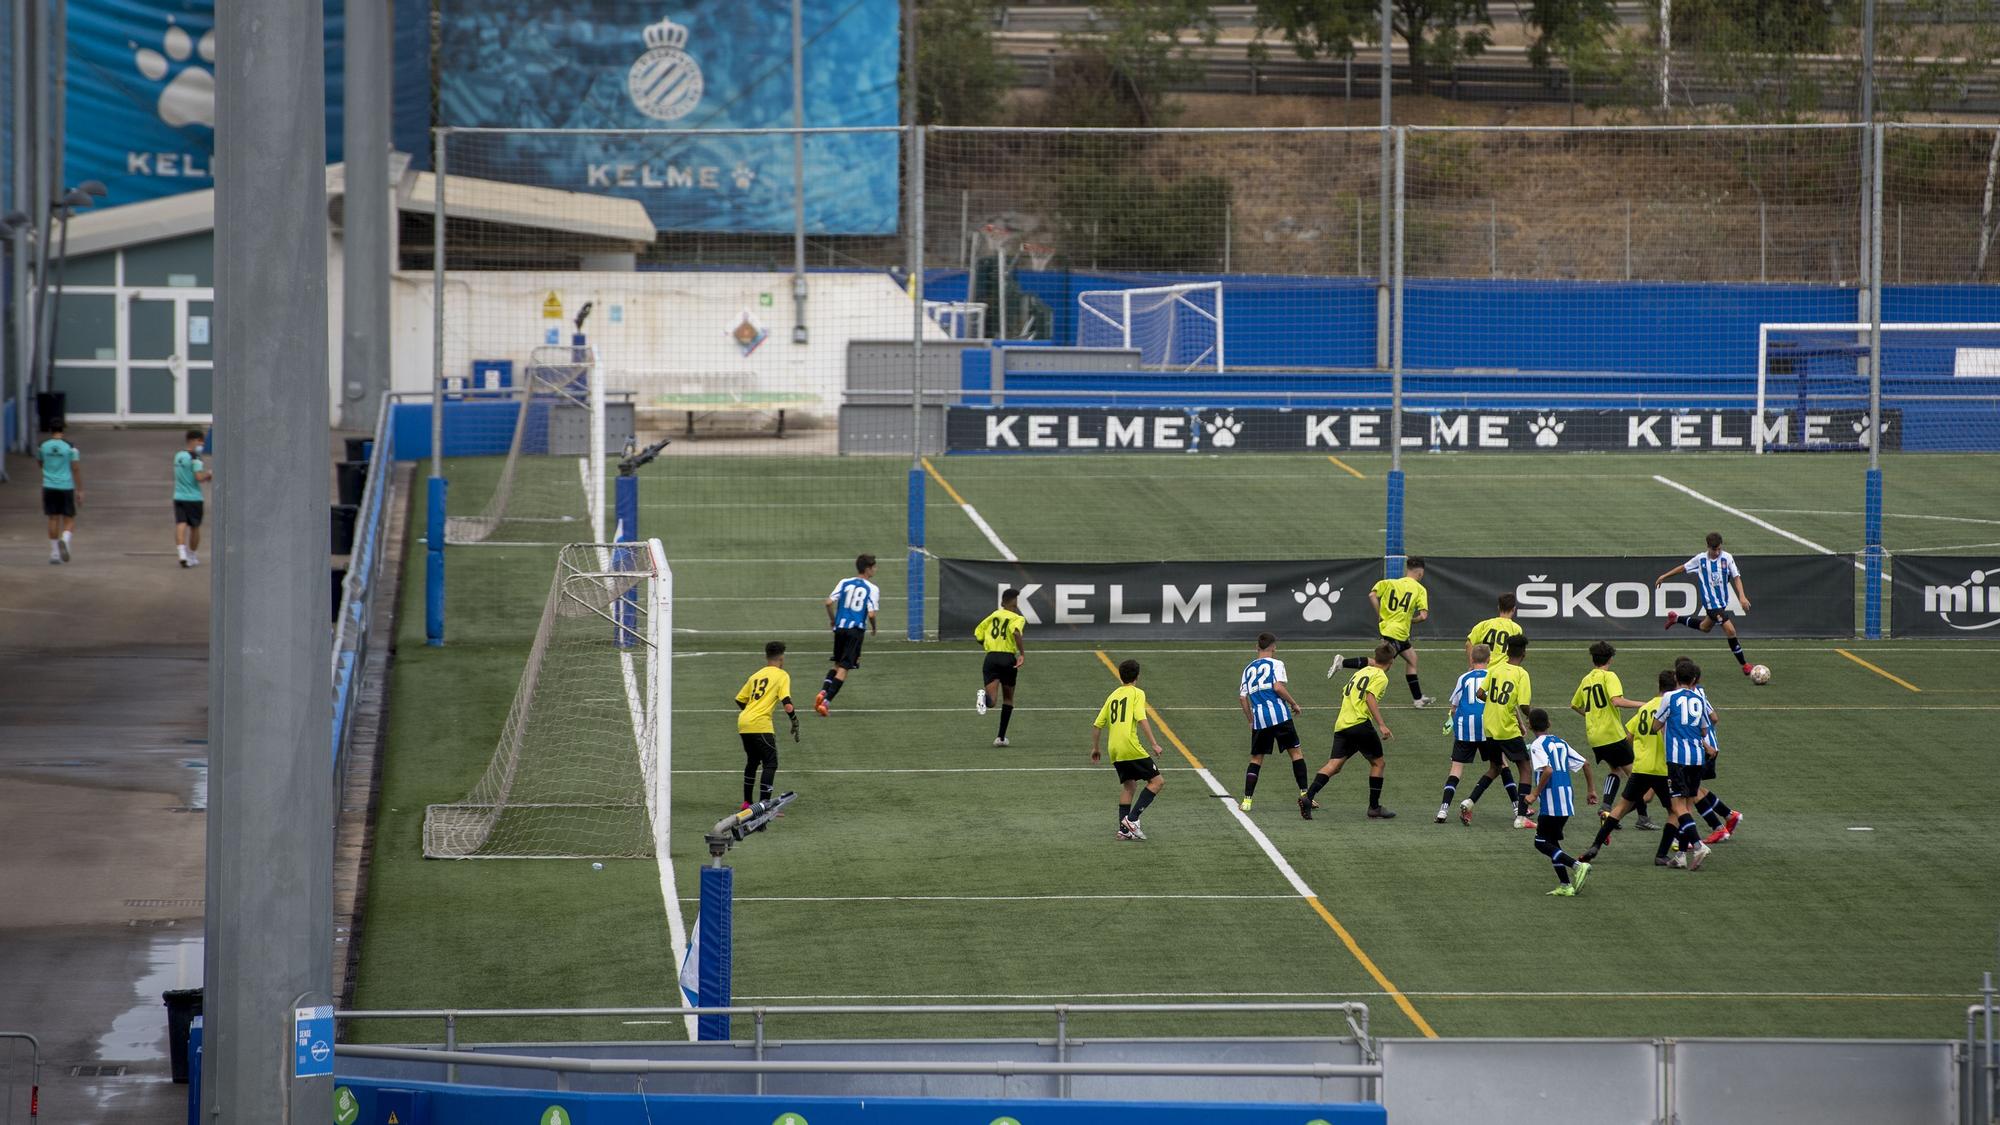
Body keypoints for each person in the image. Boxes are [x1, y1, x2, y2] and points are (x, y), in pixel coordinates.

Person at [1579, 669, 1678, 865]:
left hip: (1641, 768)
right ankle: (1661, 854)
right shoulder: (1670, 707)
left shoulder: (1645, 708)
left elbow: (1629, 737)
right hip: (1662, 769)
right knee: (1675, 812)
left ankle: (1595, 846)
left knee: (1621, 807)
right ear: (1674, 686)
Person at [1301, 642, 1397, 820]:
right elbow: (1370, 697)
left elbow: (1345, 692)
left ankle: (1308, 797)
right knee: (1378, 763)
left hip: (1342, 724)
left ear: (1375, 657)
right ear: (1391, 661)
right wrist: (1382, 724)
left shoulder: (1360, 672)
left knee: (1334, 765)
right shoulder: (1381, 677)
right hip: (1360, 724)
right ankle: (1374, 807)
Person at [1331, 558, 1433, 707]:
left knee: (1412, 659)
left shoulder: (1390, 583)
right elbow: (1423, 616)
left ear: (1407, 569)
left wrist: (1380, 614)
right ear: (1421, 572)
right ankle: (1342, 663)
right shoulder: (1419, 589)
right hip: (1397, 633)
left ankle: (1418, 699)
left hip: (1393, 631)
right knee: (1380, 664)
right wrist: (1412, 620)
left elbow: (1372, 595)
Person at [1655, 531, 1754, 675]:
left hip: (1721, 603)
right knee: (1731, 631)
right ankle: (1744, 665)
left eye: (1719, 548)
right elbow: (1682, 568)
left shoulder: (1727, 558)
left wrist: (1742, 596)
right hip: (1710, 604)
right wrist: (1664, 576)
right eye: (1714, 549)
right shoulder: (1700, 559)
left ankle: (1676, 618)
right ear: (1708, 547)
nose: (1717, 552)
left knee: (1704, 627)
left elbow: (1736, 577)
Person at [1521, 708, 1594, 897]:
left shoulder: (1537, 745)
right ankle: (1565, 885)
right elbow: (1585, 763)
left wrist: (1534, 794)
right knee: (1551, 842)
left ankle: (1577, 866)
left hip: (1552, 801)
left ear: (1529, 725)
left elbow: (1548, 771)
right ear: (1549, 724)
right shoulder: (1560, 742)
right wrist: (1591, 790)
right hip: (1567, 800)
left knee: (1540, 842)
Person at [1091, 658, 1166, 840]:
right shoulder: (1137, 693)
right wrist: (1154, 744)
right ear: (1137, 676)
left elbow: (1097, 724)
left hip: (1114, 749)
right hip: (1129, 745)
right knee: (1157, 782)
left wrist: (1095, 748)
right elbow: (1142, 719)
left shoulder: (1113, 695)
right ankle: (1132, 820)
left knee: (1129, 785)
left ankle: (1123, 831)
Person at [1238, 632, 1309, 812]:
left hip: (1260, 719)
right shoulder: (1277, 664)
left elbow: (1242, 698)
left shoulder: (1247, 669)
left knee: (1256, 759)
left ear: (1257, 648)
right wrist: (1294, 703)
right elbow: (1278, 687)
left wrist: (1250, 720)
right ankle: (1305, 796)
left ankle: (1247, 801)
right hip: (1280, 715)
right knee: (1296, 753)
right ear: (1274, 647)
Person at [1676, 658, 1745, 845]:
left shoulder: (1684, 695)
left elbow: (1712, 718)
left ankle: (1717, 827)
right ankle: (1730, 815)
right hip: (1708, 745)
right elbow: (1714, 717)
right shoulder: (1700, 693)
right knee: (1696, 788)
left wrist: (1700, 736)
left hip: (1700, 748)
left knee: (1692, 792)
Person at [1571, 641, 1647, 810]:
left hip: (1595, 738)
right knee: (1635, 775)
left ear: (1593, 660)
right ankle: (1641, 817)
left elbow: (1574, 705)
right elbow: (1616, 701)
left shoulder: (1586, 679)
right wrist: (1644, 705)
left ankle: (1606, 807)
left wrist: (1590, 715)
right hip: (1611, 734)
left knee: (1616, 770)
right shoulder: (1609, 676)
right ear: (1610, 659)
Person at [1471, 636, 1537, 828]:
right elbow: (1524, 705)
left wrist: (1495, 702)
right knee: (1525, 768)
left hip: (1489, 727)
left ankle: (1469, 801)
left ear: (1507, 651)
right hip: (1507, 728)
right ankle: (1521, 816)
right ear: (1523, 653)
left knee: (1495, 768)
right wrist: (1533, 718)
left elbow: (1480, 694)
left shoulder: (1495, 669)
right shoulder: (1521, 674)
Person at [1657, 662, 1717, 870]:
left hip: (1677, 758)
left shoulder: (1669, 697)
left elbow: (1656, 724)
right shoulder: (1699, 700)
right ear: (1693, 680)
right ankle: (1682, 854)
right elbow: (1703, 731)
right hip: (1697, 759)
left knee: (1677, 807)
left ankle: (1699, 845)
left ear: (1676, 679)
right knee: (1687, 806)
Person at [1437, 643, 1502, 823]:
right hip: (1488, 727)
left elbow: (1454, 706)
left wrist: (1450, 719)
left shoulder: (1464, 677)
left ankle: (1443, 810)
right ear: (1489, 659)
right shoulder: (1494, 676)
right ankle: (1517, 808)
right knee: (1500, 765)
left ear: (1471, 659)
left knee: (1456, 769)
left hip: (1465, 727)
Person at [734, 641, 798, 813]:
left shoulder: (755, 675)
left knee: (753, 761)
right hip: (761, 724)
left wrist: (751, 712)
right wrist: (794, 720)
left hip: (744, 723)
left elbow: (740, 699)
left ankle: (747, 803)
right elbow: (787, 703)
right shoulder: (782, 675)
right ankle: (764, 806)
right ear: (782, 657)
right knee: (770, 763)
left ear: (766, 656)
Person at [815, 554, 880, 716]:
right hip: (855, 631)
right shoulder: (872, 588)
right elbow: (871, 614)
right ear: (867, 569)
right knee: (845, 667)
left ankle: (823, 691)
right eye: (874, 567)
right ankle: (826, 703)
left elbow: (829, 602)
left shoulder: (844, 582)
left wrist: (833, 620)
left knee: (837, 664)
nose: (875, 570)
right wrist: (874, 628)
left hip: (840, 628)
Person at [972, 588, 1027, 746]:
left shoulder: (993, 616)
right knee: (1008, 699)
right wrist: (1022, 653)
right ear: (1015, 602)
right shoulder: (1017, 618)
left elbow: (978, 635)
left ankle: (982, 697)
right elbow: (1016, 633)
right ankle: (1001, 738)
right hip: (1007, 659)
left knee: (992, 701)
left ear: (1002, 602)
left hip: (991, 658)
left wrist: (988, 645)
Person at [37, 424, 81, 564]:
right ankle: (65, 539)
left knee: (53, 519)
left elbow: (40, 462)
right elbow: (75, 468)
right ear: (62, 430)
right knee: (69, 519)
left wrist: (49, 471)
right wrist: (80, 489)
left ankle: (55, 553)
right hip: (66, 486)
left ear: (51, 430)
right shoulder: (71, 447)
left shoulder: (43, 446)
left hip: (49, 486)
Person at [173, 429, 213, 568]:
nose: (201, 444)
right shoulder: (196, 458)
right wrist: (209, 474)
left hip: (178, 496)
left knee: (181, 524)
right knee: (195, 527)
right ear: (195, 440)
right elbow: (198, 477)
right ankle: (192, 555)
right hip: (194, 498)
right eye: (201, 441)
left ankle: (181, 553)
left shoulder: (178, 455)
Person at [1465, 593, 1524, 668]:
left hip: (1486, 670)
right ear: (1514, 609)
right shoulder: (1516, 628)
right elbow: (1516, 654)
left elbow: (1468, 644)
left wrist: (1472, 666)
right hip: (1503, 671)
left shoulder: (1484, 625)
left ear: (1498, 607)